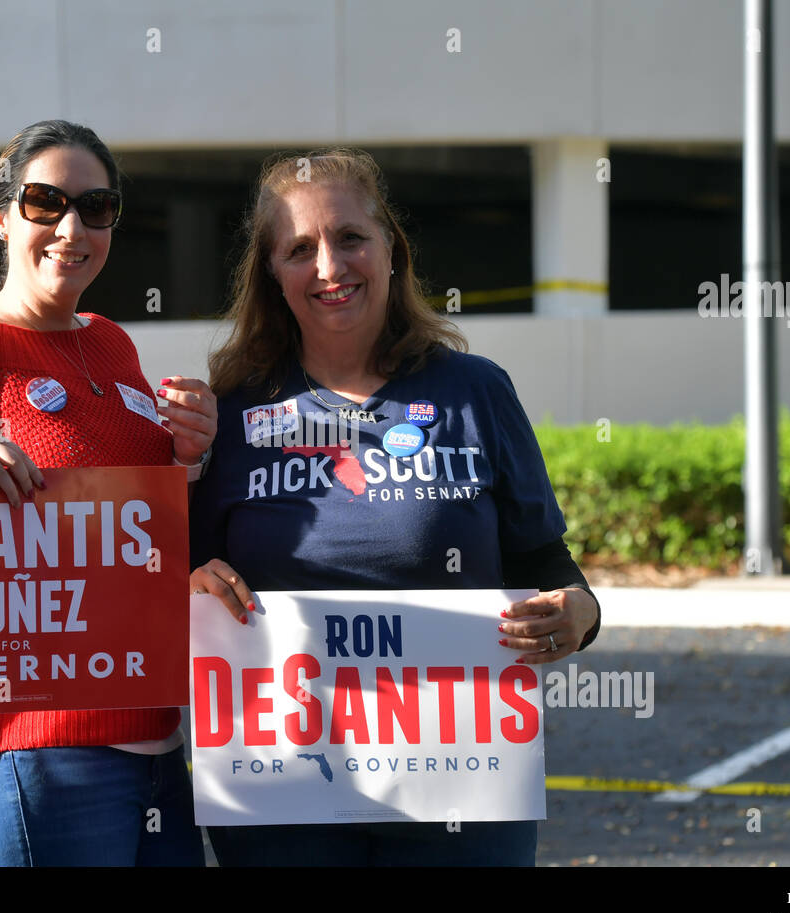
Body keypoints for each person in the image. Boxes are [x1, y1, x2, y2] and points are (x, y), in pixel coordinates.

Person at [188, 148, 601, 866]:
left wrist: (580, 614)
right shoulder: (228, 414)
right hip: (282, 793)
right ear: (271, 275)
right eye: (299, 249)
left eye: (350, 237)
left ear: (391, 251)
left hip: (465, 785)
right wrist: (189, 585)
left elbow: (545, 563)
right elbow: (180, 576)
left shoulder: (476, 391)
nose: (329, 266)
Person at [0, 120, 215, 866]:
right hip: (27, 755)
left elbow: (131, 532)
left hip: (157, 746)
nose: (71, 227)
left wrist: (191, 455)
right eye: (44, 203)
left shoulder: (114, 343)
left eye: (97, 206)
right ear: (0, 216)